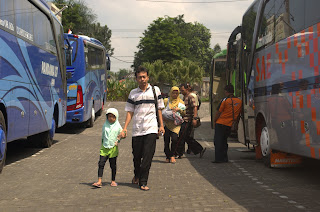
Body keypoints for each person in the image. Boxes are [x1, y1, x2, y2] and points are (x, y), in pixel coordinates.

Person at [121, 66, 165, 191]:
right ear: (136, 79)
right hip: (137, 130)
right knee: (136, 156)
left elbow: (159, 109)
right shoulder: (133, 93)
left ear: (148, 77)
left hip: (151, 128)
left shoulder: (155, 91)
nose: (142, 79)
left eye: (144, 77)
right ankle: (137, 174)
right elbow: (130, 112)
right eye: (140, 77)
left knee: (147, 156)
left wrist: (161, 125)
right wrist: (125, 128)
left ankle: (143, 181)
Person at [92, 108, 123, 188]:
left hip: (113, 149)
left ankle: (113, 181)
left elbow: (123, 134)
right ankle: (99, 181)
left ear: (116, 117)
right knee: (101, 164)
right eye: (109, 116)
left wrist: (121, 137)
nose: (111, 118)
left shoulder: (118, 126)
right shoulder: (105, 125)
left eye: (113, 117)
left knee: (113, 165)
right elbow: (103, 136)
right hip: (104, 147)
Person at [213, 84, 242, 163]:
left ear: (226, 91)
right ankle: (225, 158)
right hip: (230, 125)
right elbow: (239, 114)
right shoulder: (239, 101)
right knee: (224, 141)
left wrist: (214, 121)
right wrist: (236, 123)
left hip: (221, 123)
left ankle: (219, 159)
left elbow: (218, 112)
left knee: (218, 141)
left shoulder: (225, 100)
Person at [177, 83, 206, 158]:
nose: (181, 92)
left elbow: (195, 107)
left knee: (182, 136)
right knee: (187, 137)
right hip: (184, 119)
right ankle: (199, 149)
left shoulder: (191, 96)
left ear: (187, 89)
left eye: (183, 90)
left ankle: (178, 152)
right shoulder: (185, 97)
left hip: (188, 120)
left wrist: (194, 118)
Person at [163, 86, 185, 163]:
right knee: (166, 141)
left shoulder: (181, 102)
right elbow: (161, 110)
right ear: (170, 93)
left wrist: (179, 110)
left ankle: (172, 155)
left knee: (174, 139)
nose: (175, 94)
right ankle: (167, 156)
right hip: (167, 124)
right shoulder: (166, 101)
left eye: (176, 93)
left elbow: (184, 113)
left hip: (176, 125)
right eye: (173, 93)